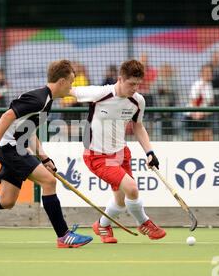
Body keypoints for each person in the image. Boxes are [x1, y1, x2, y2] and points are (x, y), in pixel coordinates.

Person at [0, 59, 93, 248]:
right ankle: (63, 235)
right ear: (61, 81)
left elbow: (28, 131)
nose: (71, 87)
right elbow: (7, 116)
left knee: (7, 200)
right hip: (9, 148)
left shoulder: (46, 102)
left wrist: (44, 158)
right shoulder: (39, 99)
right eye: (70, 82)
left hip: (14, 146)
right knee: (49, 181)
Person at [68, 59, 166, 244]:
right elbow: (67, 90)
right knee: (132, 188)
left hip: (121, 153)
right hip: (96, 155)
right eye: (131, 84)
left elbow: (138, 126)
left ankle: (102, 225)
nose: (135, 88)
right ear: (120, 79)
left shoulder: (138, 101)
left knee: (120, 200)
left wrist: (149, 153)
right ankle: (144, 223)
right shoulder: (100, 93)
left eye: (138, 84)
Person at [187, 64, 215, 141]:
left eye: (210, 72)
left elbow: (210, 102)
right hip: (196, 116)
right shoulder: (197, 84)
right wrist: (196, 114)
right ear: (201, 73)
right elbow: (193, 101)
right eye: (206, 71)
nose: (208, 73)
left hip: (204, 116)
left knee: (208, 139)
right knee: (200, 140)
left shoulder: (209, 85)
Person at [152, 64, 178, 136]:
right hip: (159, 105)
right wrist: (161, 90)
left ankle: (171, 136)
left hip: (171, 105)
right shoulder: (157, 80)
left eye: (167, 70)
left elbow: (176, 90)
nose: (165, 72)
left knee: (170, 123)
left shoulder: (173, 80)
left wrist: (168, 89)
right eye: (164, 70)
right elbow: (152, 90)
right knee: (162, 123)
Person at [138, 53, 158, 135]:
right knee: (138, 115)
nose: (144, 61)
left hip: (149, 95)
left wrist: (143, 83)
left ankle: (150, 133)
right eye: (142, 59)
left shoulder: (152, 70)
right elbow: (136, 82)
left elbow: (152, 83)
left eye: (145, 59)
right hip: (138, 95)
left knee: (150, 115)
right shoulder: (135, 70)